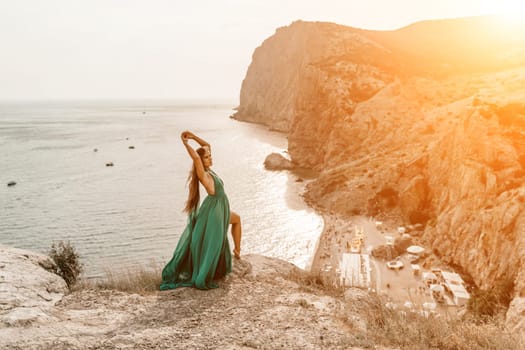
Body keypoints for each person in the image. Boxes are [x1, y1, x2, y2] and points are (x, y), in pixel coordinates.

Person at [160, 131, 242, 290]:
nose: (210, 157)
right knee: (215, 242)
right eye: (207, 157)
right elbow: (197, 157)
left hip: (220, 207)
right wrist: (186, 144)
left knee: (236, 220)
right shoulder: (203, 174)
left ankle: (237, 251)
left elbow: (207, 146)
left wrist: (192, 136)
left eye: (210, 156)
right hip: (215, 211)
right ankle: (207, 272)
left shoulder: (210, 171)